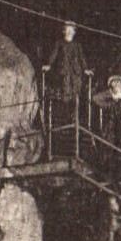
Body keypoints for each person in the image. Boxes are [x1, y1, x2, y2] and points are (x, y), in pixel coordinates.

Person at [41, 21, 87, 153]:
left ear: (74, 31)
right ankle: (66, 120)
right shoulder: (59, 43)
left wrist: (86, 69)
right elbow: (54, 55)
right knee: (65, 94)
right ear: (64, 31)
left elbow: (82, 58)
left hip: (75, 74)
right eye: (67, 29)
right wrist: (48, 65)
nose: (69, 31)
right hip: (64, 73)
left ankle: (74, 118)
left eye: (71, 29)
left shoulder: (77, 45)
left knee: (75, 95)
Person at [92, 73, 121, 192]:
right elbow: (96, 99)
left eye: (119, 82)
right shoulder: (110, 103)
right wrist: (111, 95)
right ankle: (117, 184)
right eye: (113, 82)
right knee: (112, 158)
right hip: (113, 134)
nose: (116, 84)